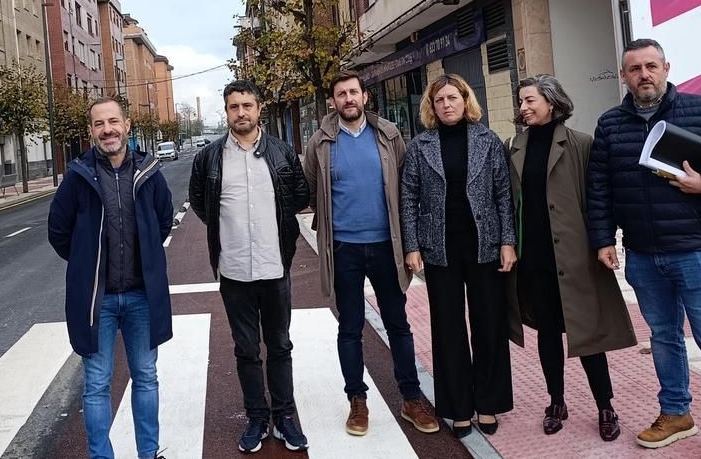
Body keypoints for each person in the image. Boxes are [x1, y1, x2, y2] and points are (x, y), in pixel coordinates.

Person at [588, 39, 701, 459]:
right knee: (664, 338)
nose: (643, 75)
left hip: (699, 249)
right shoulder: (611, 124)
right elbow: (600, 188)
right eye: (634, 69)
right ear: (623, 75)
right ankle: (675, 413)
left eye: (651, 66)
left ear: (666, 67)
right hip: (644, 254)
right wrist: (602, 239)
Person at [302, 72, 440, 437]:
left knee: (398, 325)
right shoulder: (319, 143)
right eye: (340, 94)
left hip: (385, 246)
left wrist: (411, 245)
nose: (347, 99)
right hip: (344, 248)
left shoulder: (390, 135)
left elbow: (406, 191)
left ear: (365, 97)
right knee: (349, 329)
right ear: (332, 101)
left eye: (353, 92)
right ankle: (357, 402)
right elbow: (315, 191)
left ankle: (411, 400)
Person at [505, 74, 637, 441]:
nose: (523, 107)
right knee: (547, 334)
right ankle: (556, 401)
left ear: (551, 101)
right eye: (520, 102)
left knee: (589, 335)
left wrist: (603, 241)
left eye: (530, 100)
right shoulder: (514, 145)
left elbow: (597, 199)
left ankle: (605, 406)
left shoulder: (580, 143)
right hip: (534, 259)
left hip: (575, 257)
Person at [188, 79, 311, 453]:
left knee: (279, 344)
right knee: (245, 348)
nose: (240, 112)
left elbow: (300, 195)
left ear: (259, 109)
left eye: (247, 105)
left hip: (275, 268)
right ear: (225, 112)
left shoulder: (281, 152)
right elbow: (200, 203)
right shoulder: (209, 157)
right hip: (234, 270)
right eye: (233, 107)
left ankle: (284, 416)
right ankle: (257, 417)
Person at [48, 97, 174, 459]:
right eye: (100, 124)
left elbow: (164, 219)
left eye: (113, 122)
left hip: (141, 296)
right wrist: (87, 263)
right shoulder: (78, 176)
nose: (108, 130)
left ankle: (148, 454)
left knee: (146, 377)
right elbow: (58, 231)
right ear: (91, 131)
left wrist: (147, 256)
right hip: (96, 301)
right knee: (97, 384)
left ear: (127, 124)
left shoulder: (148, 172)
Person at [400, 74, 516, 438]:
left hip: (484, 245)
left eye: (453, 97)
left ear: (466, 100)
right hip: (440, 249)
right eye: (439, 100)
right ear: (431, 107)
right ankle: (459, 407)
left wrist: (507, 241)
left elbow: (502, 194)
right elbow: (408, 197)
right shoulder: (420, 146)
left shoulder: (488, 140)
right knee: (448, 327)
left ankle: (489, 403)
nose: (447, 104)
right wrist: (412, 245)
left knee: (488, 326)